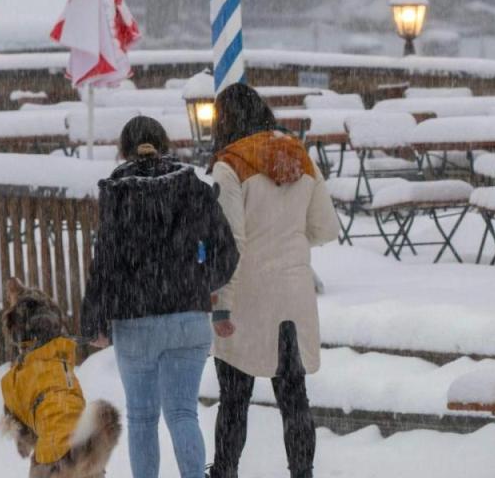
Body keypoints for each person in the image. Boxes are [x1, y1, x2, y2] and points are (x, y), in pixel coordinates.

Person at [81, 116, 240, 478]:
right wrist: (201, 283)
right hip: (188, 318)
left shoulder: (119, 192)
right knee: (184, 412)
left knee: (142, 417)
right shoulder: (193, 188)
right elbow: (227, 252)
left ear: (123, 149)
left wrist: (94, 320)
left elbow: (104, 262)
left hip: (135, 320)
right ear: (165, 144)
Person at [206, 84, 339, 478]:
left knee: (234, 399)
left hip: (246, 296)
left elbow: (233, 242)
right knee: (294, 397)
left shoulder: (229, 165)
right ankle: (302, 471)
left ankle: (225, 471)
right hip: (294, 297)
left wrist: (222, 305)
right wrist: (289, 245)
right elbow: (325, 227)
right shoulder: (299, 156)